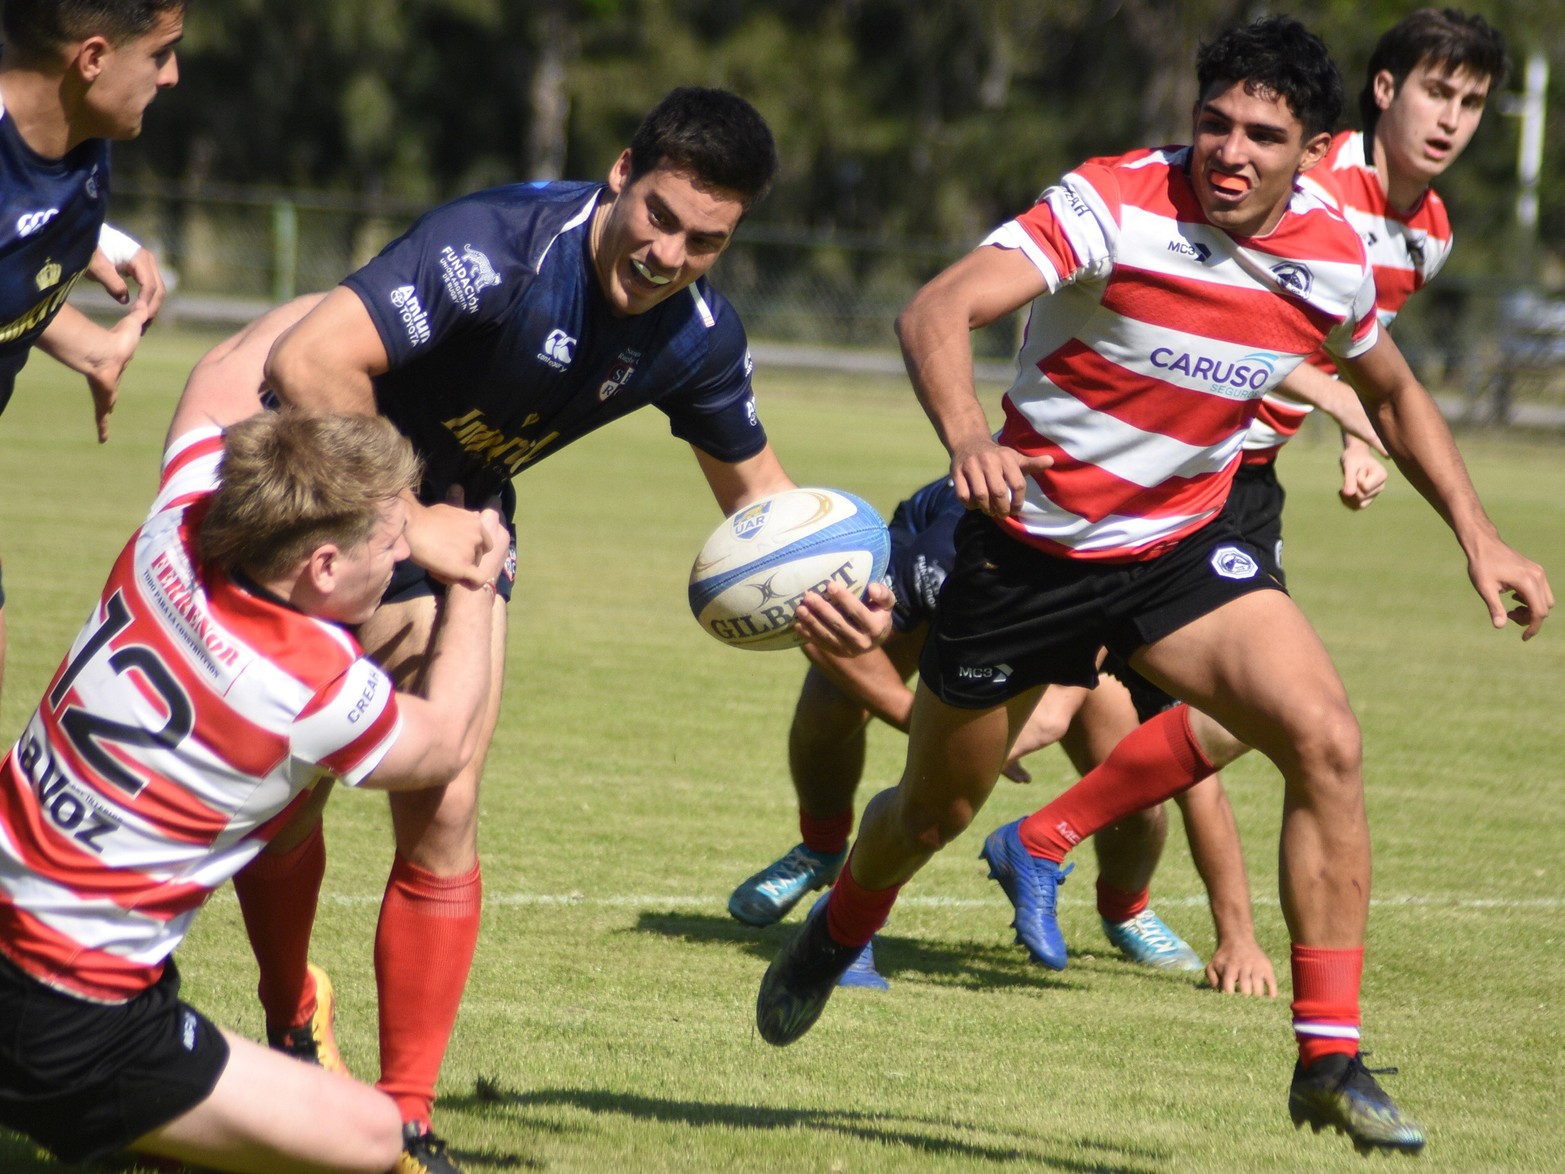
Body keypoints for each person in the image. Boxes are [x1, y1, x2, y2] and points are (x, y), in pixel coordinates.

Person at [754, 16, 1552, 1160]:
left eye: (1261, 136)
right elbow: (935, 307)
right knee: (932, 811)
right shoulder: (1109, 202)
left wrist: (1478, 537)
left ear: (1308, 148)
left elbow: (1388, 390)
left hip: (1175, 551)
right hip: (1026, 553)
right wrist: (970, 433)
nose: (1228, 151)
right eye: (1212, 123)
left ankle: (1326, 1055)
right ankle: (838, 927)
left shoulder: (1334, 246)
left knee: (1322, 736)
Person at [217, 86, 892, 1174]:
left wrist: (836, 593)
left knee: (446, 798)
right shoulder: (497, 246)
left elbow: (764, 507)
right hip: (316, 489)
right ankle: (289, 1008)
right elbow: (309, 365)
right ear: (621, 174)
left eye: (706, 240)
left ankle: (403, 1119)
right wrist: (409, 517)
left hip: (463, 526)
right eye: (660, 217)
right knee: (285, 781)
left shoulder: (699, 336)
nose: (671, 254)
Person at [0, 300, 515, 1172]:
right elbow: (445, 743)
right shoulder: (304, 681)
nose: (402, 559)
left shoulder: (185, 519)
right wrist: (473, 577)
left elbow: (227, 366)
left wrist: (356, 301)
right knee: (372, 1139)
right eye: (390, 546)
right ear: (320, 568)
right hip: (74, 1017)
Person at [729, 474, 1278, 993]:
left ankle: (1126, 908)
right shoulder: (956, 555)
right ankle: (827, 864)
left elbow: (1193, 759)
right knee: (851, 715)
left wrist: (1239, 940)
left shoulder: (1159, 582)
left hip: (1072, 597)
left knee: (1133, 785)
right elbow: (825, 638)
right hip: (971, 574)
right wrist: (924, 725)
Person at [0, 0, 181, 709]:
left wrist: (93, 243)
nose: (172, 77)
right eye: (161, 53)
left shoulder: (78, 143)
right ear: (94, 58)